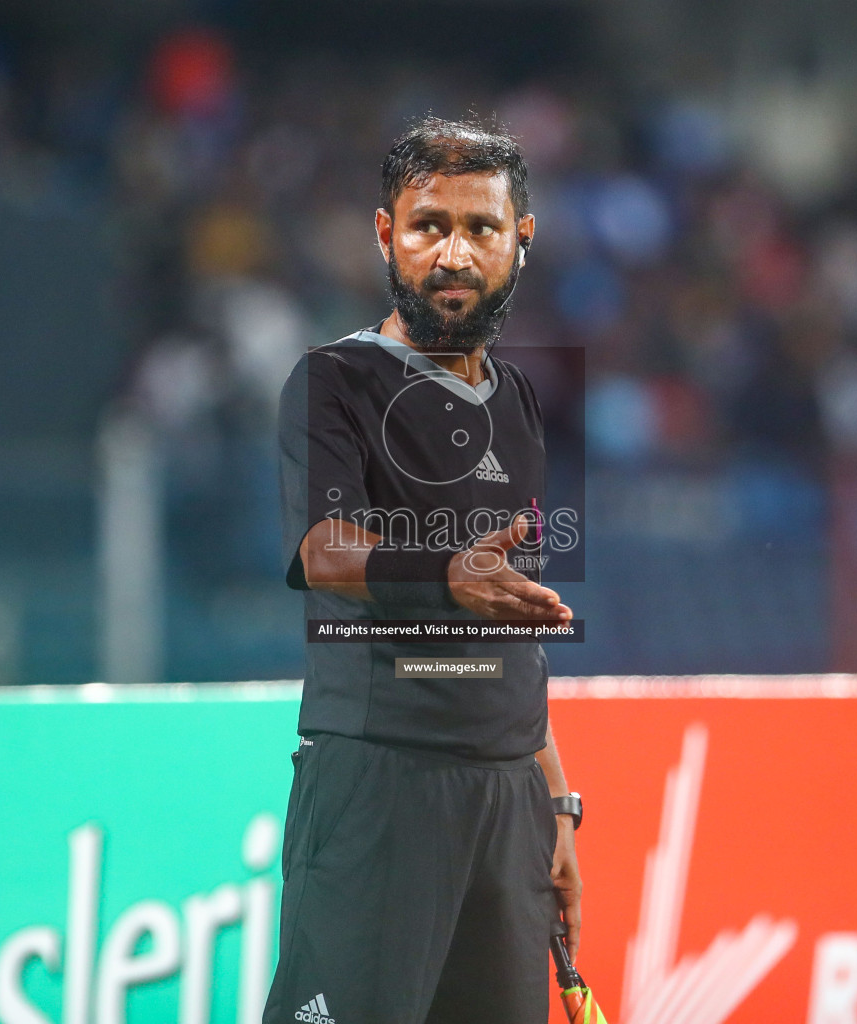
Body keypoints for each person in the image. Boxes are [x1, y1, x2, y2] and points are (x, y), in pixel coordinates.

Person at [266, 117, 583, 1024]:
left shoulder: (517, 399)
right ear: (384, 235)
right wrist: (448, 575)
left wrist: (551, 795)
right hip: (382, 784)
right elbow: (324, 550)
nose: (452, 253)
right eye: (427, 225)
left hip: (508, 800)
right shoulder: (334, 381)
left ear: (521, 240)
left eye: (480, 228)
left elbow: (514, 612)